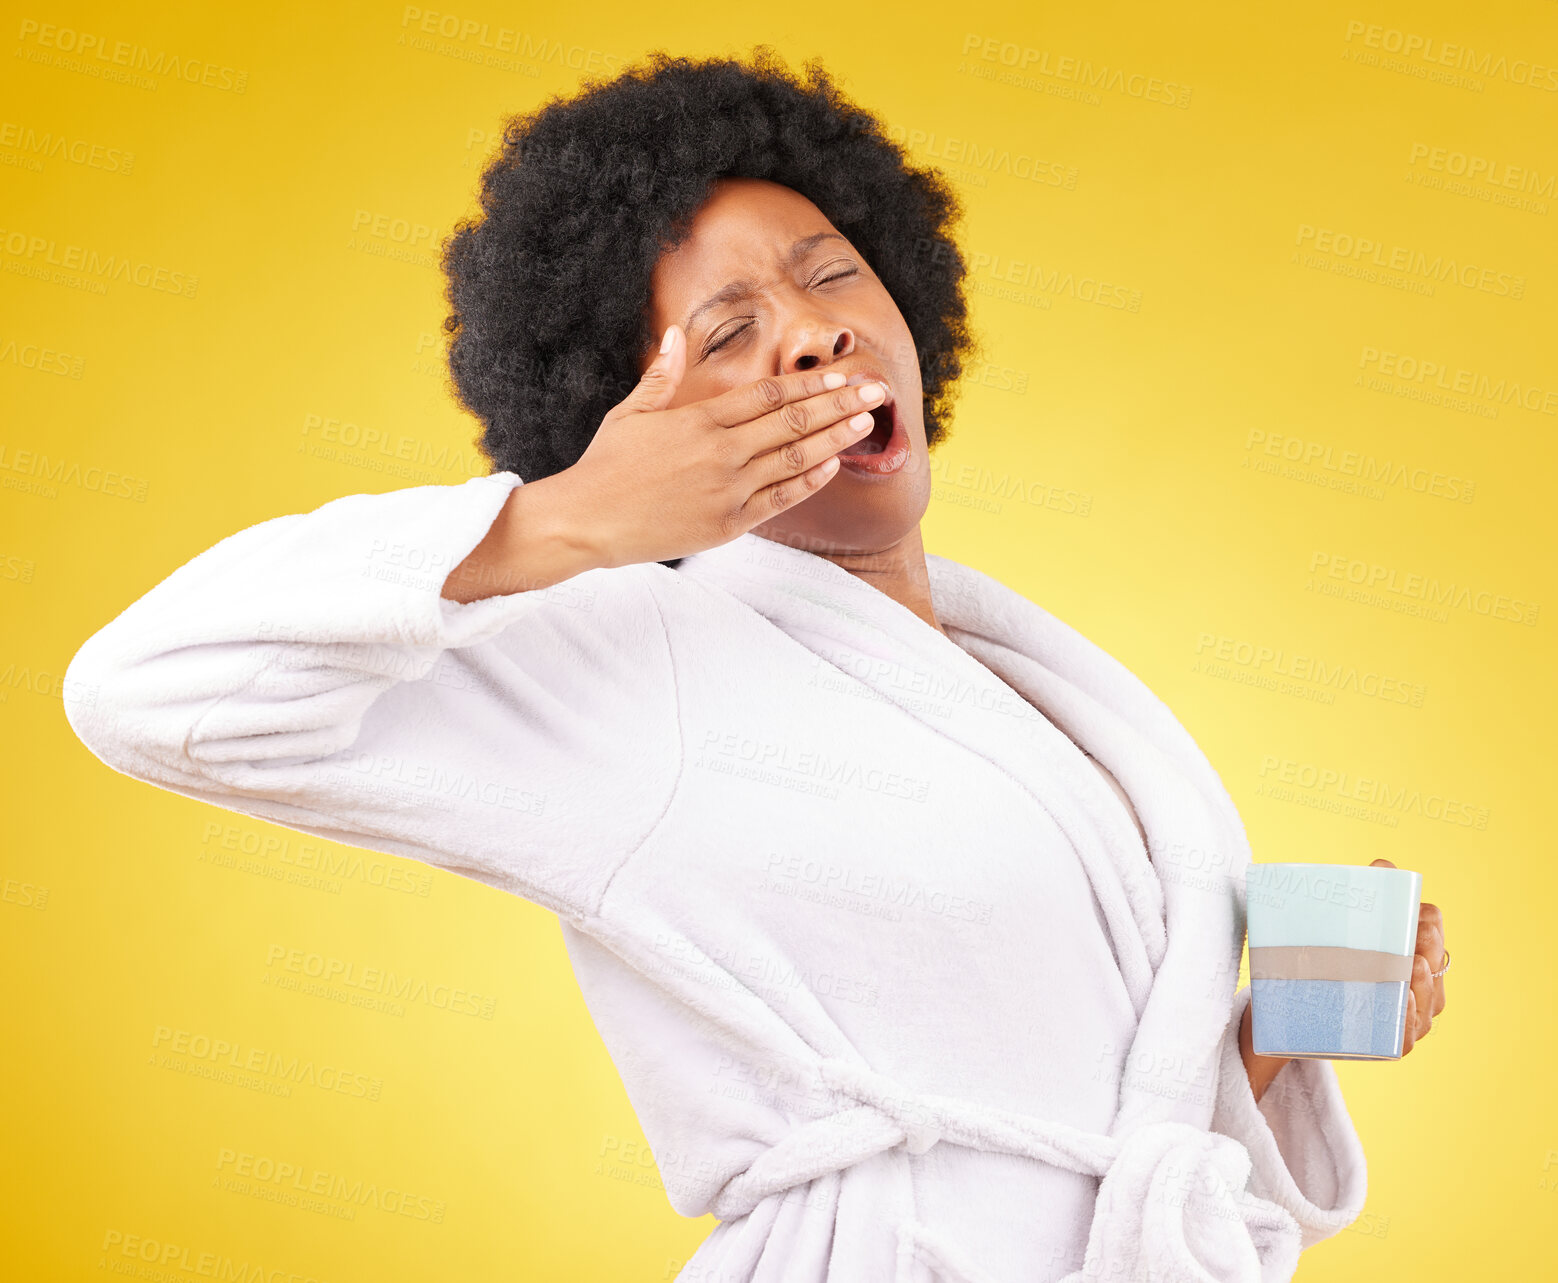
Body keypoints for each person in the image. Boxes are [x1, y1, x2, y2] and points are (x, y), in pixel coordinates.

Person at [62, 47, 1447, 1283]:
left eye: (833, 270)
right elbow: (143, 694)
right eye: (723, 332)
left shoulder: (1028, 678)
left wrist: (1267, 1041)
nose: (811, 327)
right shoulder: (632, 652)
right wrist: (571, 519)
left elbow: (1101, 1113)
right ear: (627, 417)